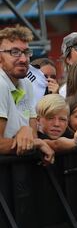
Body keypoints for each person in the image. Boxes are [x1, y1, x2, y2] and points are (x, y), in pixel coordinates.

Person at [0, 24, 54, 163]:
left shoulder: (26, 83)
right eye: (14, 52)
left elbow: (32, 135)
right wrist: (37, 143)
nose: (23, 59)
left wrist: (27, 131)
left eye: (26, 52)